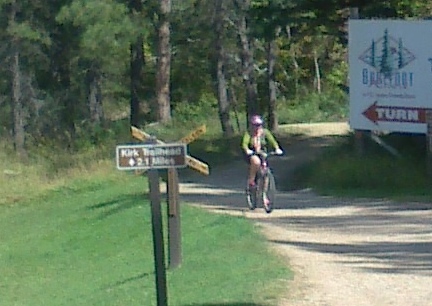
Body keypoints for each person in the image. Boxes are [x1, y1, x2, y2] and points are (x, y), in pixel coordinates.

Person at [241, 115, 283, 190]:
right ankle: (252, 180)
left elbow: (272, 141)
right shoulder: (248, 133)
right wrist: (247, 149)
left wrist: (277, 148)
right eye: (255, 125)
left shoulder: (265, 132)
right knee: (256, 162)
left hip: (262, 153)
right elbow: (244, 143)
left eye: (259, 125)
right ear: (251, 125)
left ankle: (264, 194)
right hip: (252, 153)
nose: (257, 127)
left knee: (265, 172)